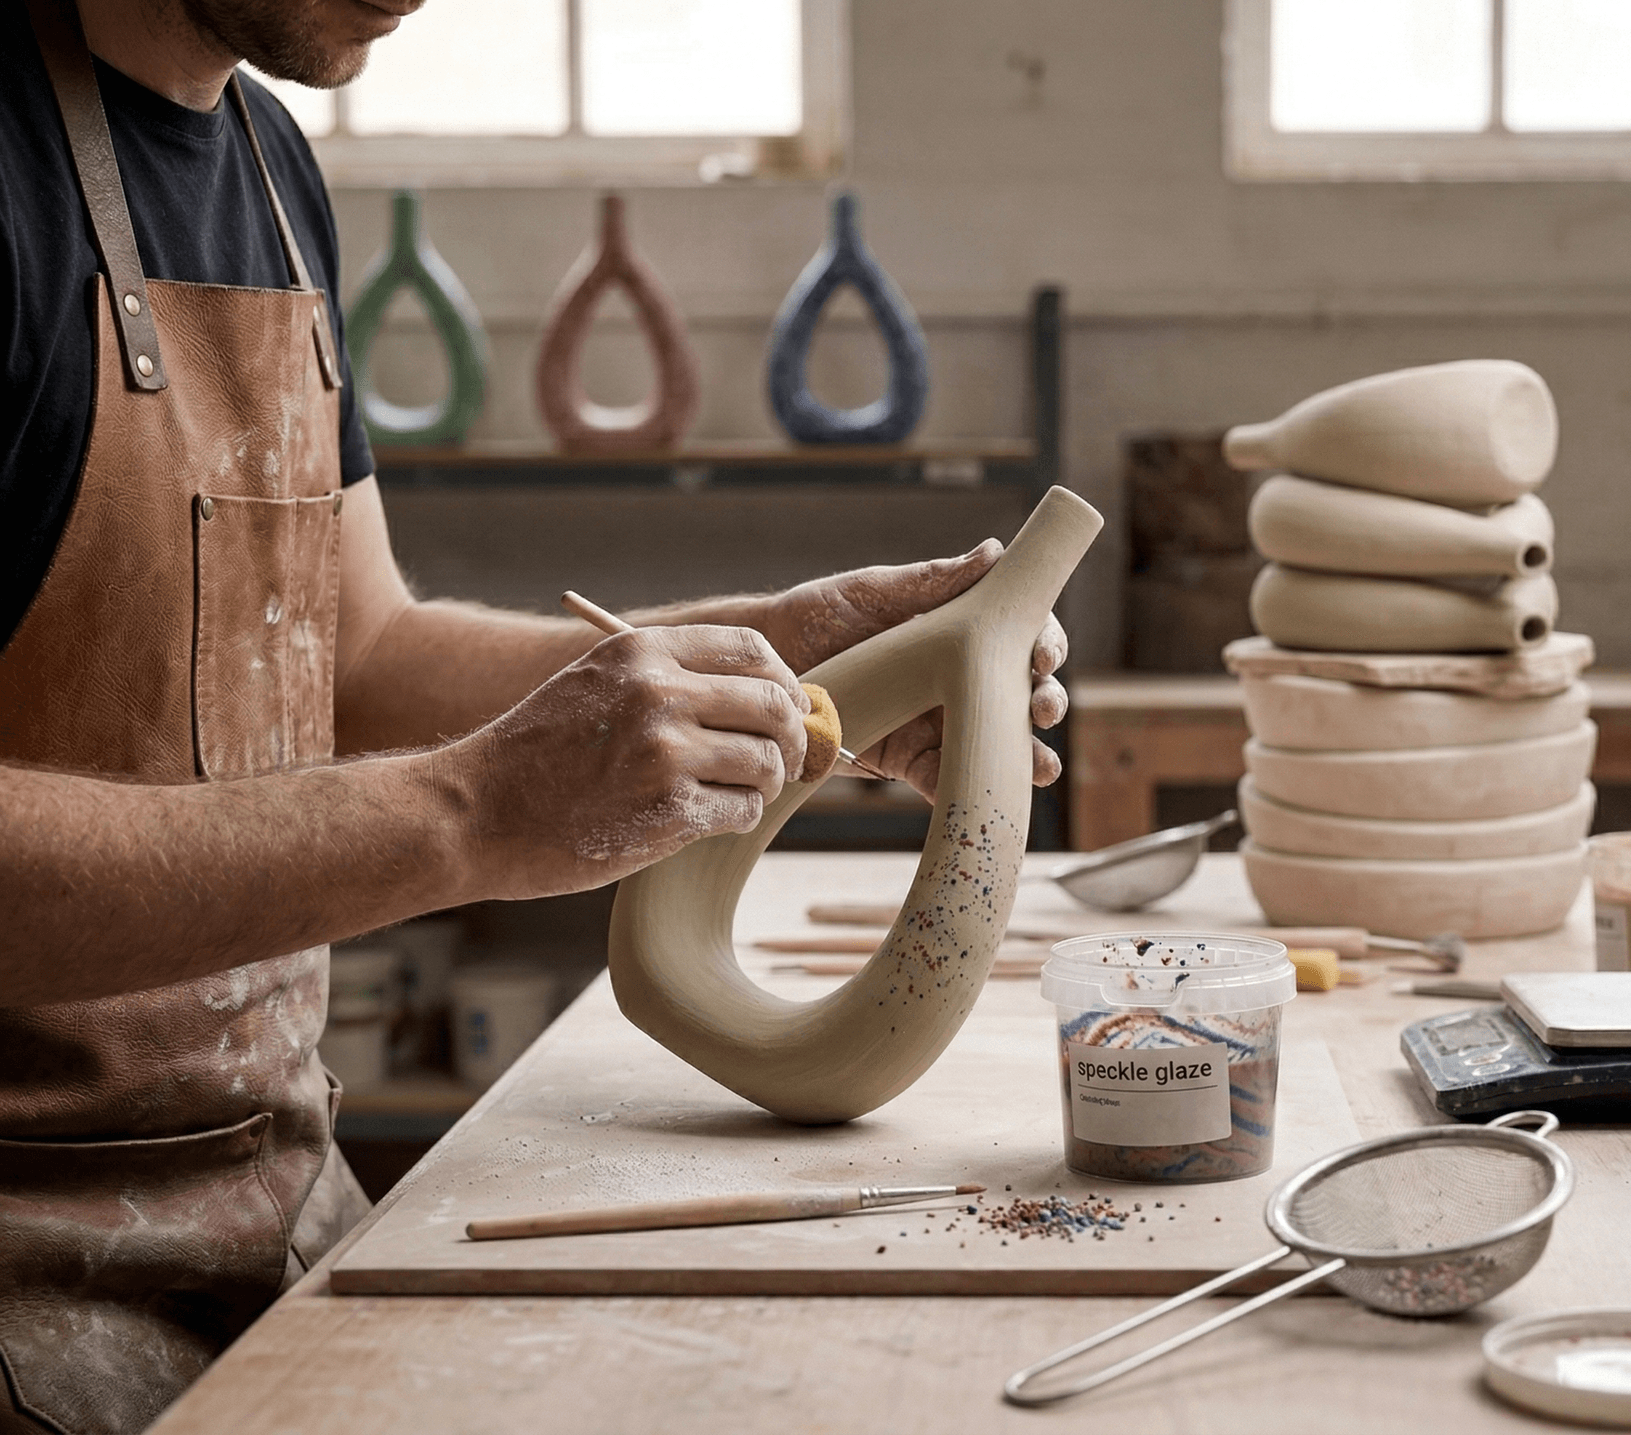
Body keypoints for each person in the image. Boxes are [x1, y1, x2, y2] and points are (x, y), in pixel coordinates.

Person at [0, 2, 1069, 1430]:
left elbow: (353, 647)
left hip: (272, 1196)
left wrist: (765, 651)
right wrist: (477, 810)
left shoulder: (264, 161)